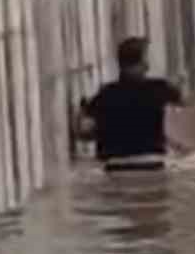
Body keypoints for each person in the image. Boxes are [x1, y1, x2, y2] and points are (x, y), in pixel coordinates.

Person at [78, 37, 185, 172]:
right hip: (152, 163)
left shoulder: (106, 94)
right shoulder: (160, 88)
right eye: (146, 59)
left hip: (115, 166)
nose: (148, 65)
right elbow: (182, 103)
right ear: (143, 63)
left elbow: (83, 132)